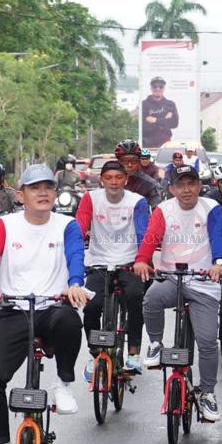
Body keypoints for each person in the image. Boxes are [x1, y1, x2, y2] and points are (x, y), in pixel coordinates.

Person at [0, 164, 89, 444]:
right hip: (15, 310)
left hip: (53, 307)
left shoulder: (67, 225)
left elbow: (76, 256)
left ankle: (63, 384)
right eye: (35, 188)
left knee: (70, 320)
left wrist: (75, 283)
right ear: (21, 195)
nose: (43, 193)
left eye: (48, 187)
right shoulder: (5, 225)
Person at [133, 164, 222, 421]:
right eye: (180, 185)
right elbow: (152, 237)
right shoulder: (164, 210)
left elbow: (218, 238)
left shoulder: (211, 208)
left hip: (203, 280)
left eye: (191, 184)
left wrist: (219, 263)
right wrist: (141, 260)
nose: (187, 189)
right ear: (172, 189)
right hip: (171, 276)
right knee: (151, 299)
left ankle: (207, 393)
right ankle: (155, 344)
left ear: (199, 185)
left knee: (207, 341)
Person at [76, 160, 150, 375]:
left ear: (125, 180)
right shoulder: (90, 198)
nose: (114, 182)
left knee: (135, 297)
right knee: (91, 306)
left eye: (118, 178)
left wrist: (142, 259)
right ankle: (94, 353)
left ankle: (133, 353)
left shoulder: (137, 201)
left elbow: (143, 233)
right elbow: (80, 226)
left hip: (129, 261)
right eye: (108, 178)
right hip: (98, 261)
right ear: (101, 180)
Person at [114, 139, 163, 209]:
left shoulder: (150, 184)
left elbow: (158, 209)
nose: (129, 165)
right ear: (118, 162)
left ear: (138, 162)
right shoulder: (108, 181)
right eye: (125, 161)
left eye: (134, 161)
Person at [141, 76, 179, 147]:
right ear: (151, 89)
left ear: (164, 89)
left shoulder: (170, 104)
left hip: (165, 143)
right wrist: (164, 121)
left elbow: (174, 123)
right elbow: (143, 126)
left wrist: (155, 120)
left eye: (161, 86)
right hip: (146, 143)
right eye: (155, 86)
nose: (158, 89)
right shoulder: (143, 104)